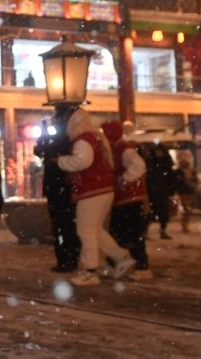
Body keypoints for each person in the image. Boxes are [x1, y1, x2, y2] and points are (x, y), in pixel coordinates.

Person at [56, 108, 135, 286]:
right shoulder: (95, 138)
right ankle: (122, 258)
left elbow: (82, 162)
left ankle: (90, 271)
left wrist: (61, 161)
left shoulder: (83, 140)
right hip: (102, 190)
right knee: (95, 230)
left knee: (85, 231)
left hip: (92, 191)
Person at [102, 120, 152, 280]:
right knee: (119, 234)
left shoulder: (123, 149)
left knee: (131, 235)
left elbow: (139, 165)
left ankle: (142, 267)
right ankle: (118, 265)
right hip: (125, 199)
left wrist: (124, 179)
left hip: (129, 199)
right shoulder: (117, 149)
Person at [33, 114, 80, 273]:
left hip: (59, 188)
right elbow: (39, 151)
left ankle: (66, 260)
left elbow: (40, 151)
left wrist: (44, 138)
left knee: (62, 226)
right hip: (60, 188)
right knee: (65, 225)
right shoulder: (66, 140)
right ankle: (69, 259)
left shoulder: (64, 141)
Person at [146, 142, 176, 240]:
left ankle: (163, 230)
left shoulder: (166, 162)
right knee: (150, 212)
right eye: (156, 151)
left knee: (163, 212)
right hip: (152, 191)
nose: (158, 153)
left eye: (160, 151)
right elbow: (149, 177)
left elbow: (170, 177)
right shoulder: (151, 162)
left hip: (162, 191)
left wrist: (171, 190)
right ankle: (146, 232)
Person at [174, 150, 198, 233]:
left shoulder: (192, 170)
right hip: (184, 192)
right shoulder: (178, 171)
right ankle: (185, 225)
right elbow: (177, 182)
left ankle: (185, 223)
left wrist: (193, 183)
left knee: (189, 209)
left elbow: (195, 179)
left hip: (190, 191)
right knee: (187, 209)